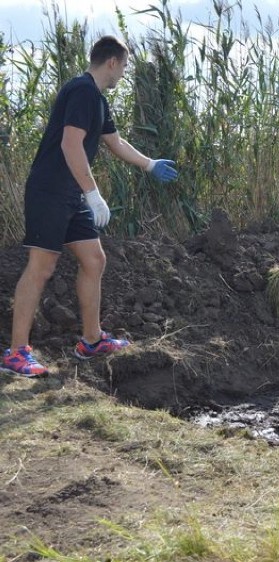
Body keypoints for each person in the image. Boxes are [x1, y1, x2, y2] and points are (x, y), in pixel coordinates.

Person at [1, 35, 179, 377]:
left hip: (71, 193)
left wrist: (149, 164)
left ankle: (91, 340)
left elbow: (115, 141)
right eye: (125, 66)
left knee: (94, 259)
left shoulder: (97, 99)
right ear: (111, 62)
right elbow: (70, 145)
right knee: (42, 266)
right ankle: (16, 352)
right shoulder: (82, 90)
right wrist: (93, 194)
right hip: (50, 189)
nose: (125, 73)